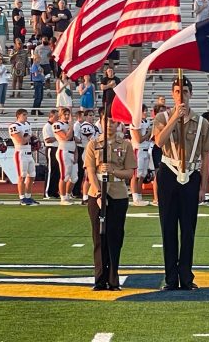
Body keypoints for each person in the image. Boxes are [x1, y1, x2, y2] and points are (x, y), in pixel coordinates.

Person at [153, 76, 209, 291]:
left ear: (191, 94)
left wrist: (204, 187)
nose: (181, 95)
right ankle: (170, 278)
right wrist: (173, 118)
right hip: (169, 173)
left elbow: (205, 156)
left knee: (188, 229)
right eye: (177, 91)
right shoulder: (162, 117)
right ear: (172, 94)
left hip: (191, 175)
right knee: (168, 228)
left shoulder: (202, 122)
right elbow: (159, 142)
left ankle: (186, 276)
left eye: (185, 91)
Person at [85, 113, 136, 291]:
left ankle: (113, 279)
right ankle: (99, 279)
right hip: (97, 193)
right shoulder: (93, 144)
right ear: (101, 121)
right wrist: (99, 193)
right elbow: (90, 170)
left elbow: (130, 172)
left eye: (114, 122)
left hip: (118, 193)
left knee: (115, 237)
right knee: (99, 238)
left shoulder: (126, 145)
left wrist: (114, 170)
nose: (110, 125)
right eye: (107, 121)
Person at [9, 109, 39, 205]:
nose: (26, 116)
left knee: (32, 175)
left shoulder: (27, 124)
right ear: (18, 116)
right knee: (22, 176)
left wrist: (36, 139)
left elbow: (29, 137)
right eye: (24, 115)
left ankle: (28, 196)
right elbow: (21, 141)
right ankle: (22, 198)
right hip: (20, 152)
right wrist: (30, 136)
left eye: (26, 115)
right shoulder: (14, 126)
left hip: (29, 152)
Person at [53, 107, 78, 205]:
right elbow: (66, 137)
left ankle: (67, 195)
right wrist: (71, 127)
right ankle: (62, 198)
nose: (67, 116)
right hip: (64, 152)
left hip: (71, 152)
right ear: (60, 115)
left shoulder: (68, 124)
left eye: (68, 114)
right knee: (65, 176)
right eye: (65, 114)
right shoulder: (57, 124)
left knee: (74, 177)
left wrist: (76, 154)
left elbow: (73, 140)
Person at [130, 104, 152, 207]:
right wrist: (148, 134)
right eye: (144, 111)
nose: (145, 113)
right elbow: (139, 139)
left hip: (145, 149)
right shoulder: (135, 122)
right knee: (136, 175)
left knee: (142, 175)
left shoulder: (146, 122)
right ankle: (135, 198)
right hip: (138, 150)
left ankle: (139, 196)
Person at [79, 109, 98, 204]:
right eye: (90, 115)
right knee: (88, 176)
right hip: (88, 152)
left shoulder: (93, 126)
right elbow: (91, 139)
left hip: (94, 152)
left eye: (93, 115)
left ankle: (90, 194)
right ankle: (85, 197)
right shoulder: (86, 126)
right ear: (86, 116)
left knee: (93, 175)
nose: (92, 117)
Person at [43, 110, 61, 199]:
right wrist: (58, 136)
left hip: (57, 148)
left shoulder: (55, 126)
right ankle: (47, 192)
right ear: (52, 116)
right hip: (51, 148)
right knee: (51, 170)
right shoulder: (47, 126)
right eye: (56, 116)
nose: (58, 118)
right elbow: (47, 139)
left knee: (57, 171)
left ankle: (54, 190)